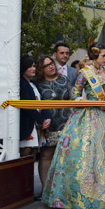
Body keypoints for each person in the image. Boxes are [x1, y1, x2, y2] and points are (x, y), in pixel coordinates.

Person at [42, 43, 105, 209]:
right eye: (104, 56)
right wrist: (80, 100)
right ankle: (80, 195)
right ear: (95, 56)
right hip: (87, 115)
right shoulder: (84, 73)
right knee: (84, 153)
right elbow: (75, 93)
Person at [35, 55, 71, 194]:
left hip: (66, 123)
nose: (51, 66)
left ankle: (63, 189)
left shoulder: (64, 79)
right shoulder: (38, 83)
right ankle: (45, 190)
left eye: (51, 63)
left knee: (65, 155)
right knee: (46, 156)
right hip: (48, 125)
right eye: (46, 66)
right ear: (40, 69)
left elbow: (73, 98)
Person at [19, 55, 51, 197]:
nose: (33, 68)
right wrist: (40, 119)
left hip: (36, 126)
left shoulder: (34, 83)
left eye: (34, 66)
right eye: (30, 66)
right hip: (27, 124)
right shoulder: (20, 83)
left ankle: (28, 190)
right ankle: (22, 190)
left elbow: (42, 103)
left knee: (32, 155)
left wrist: (46, 118)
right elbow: (26, 106)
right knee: (25, 155)